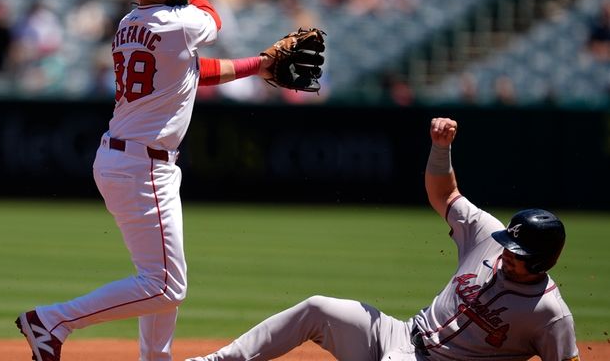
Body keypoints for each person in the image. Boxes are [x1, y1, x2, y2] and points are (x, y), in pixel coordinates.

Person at [15, 0, 274, 361]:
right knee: (167, 285)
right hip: (142, 164)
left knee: (158, 279)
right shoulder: (179, 22)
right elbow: (213, 17)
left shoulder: (128, 22)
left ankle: (155, 358)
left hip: (130, 159)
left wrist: (258, 65)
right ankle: (52, 321)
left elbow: (190, 73)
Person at [188, 117, 580, 361]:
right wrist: (440, 149)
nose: (507, 254)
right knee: (318, 308)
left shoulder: (550, 315)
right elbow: (444, 194)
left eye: (518, 253)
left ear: (543, 261)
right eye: (508, 245)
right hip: (400, 334)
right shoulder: (486, 235)